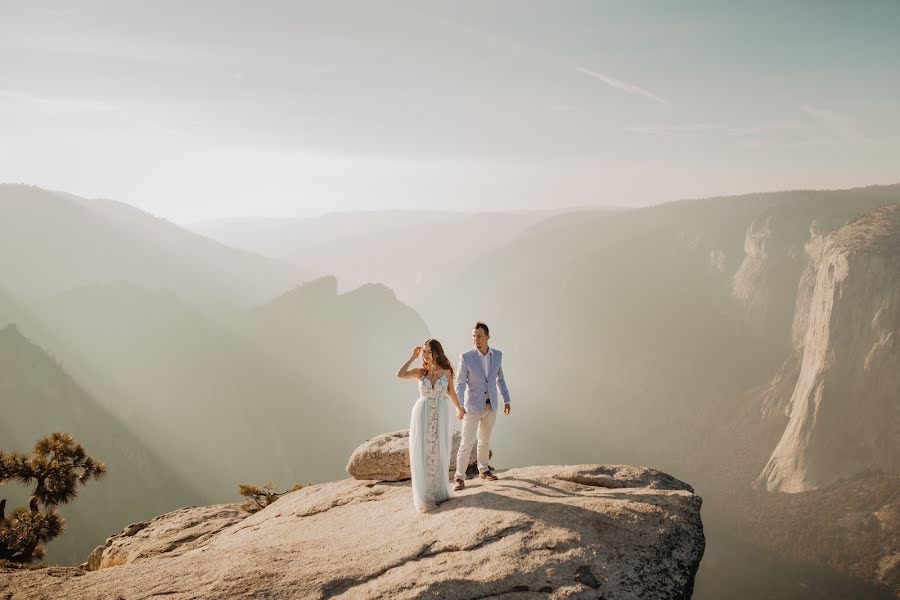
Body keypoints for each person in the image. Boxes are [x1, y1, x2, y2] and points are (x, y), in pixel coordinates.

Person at [396, 339, 465, 512]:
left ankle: (438, 491)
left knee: (438, 450)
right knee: (423, 450)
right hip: (422, 412)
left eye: (428, 351)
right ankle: (426, 495)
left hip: (440, 413)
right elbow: (400, 374)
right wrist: (413, 357)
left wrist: (459, 408)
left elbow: (451, 392)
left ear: (436, 353)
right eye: (424, 352)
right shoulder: (420, 372)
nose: (425, 355)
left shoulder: (446, 372)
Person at [453, 321, 511, 491]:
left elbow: (500, 379)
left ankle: (483, 470)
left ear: (487, 337)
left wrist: (507, 400)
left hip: (491, 405)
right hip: (471, 407)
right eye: (473, 336)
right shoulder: (466, 357)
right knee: (467, 442)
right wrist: (460, 406)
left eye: (479, 336)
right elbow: (460, 383)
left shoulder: (497, 355)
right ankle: (459, 477)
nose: (475, 339)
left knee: (484, 440)